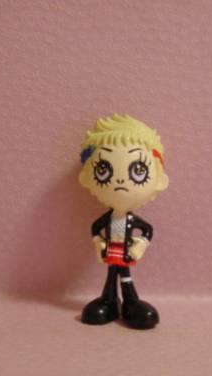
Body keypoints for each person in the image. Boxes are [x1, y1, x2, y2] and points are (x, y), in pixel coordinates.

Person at [78, 114, 169, 329]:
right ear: (86, 177)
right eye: (103, 169)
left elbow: (147, 230)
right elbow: (95, 229)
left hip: (125, 253)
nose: (120, 180)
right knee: (111, 276)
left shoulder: (132, 220)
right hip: (111, 252)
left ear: (159, 180)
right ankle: (109, 301)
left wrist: (140, 245)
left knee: (125, 276)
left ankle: (130, 301)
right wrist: (98, 243)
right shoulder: (107, 219)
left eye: (138, 171)